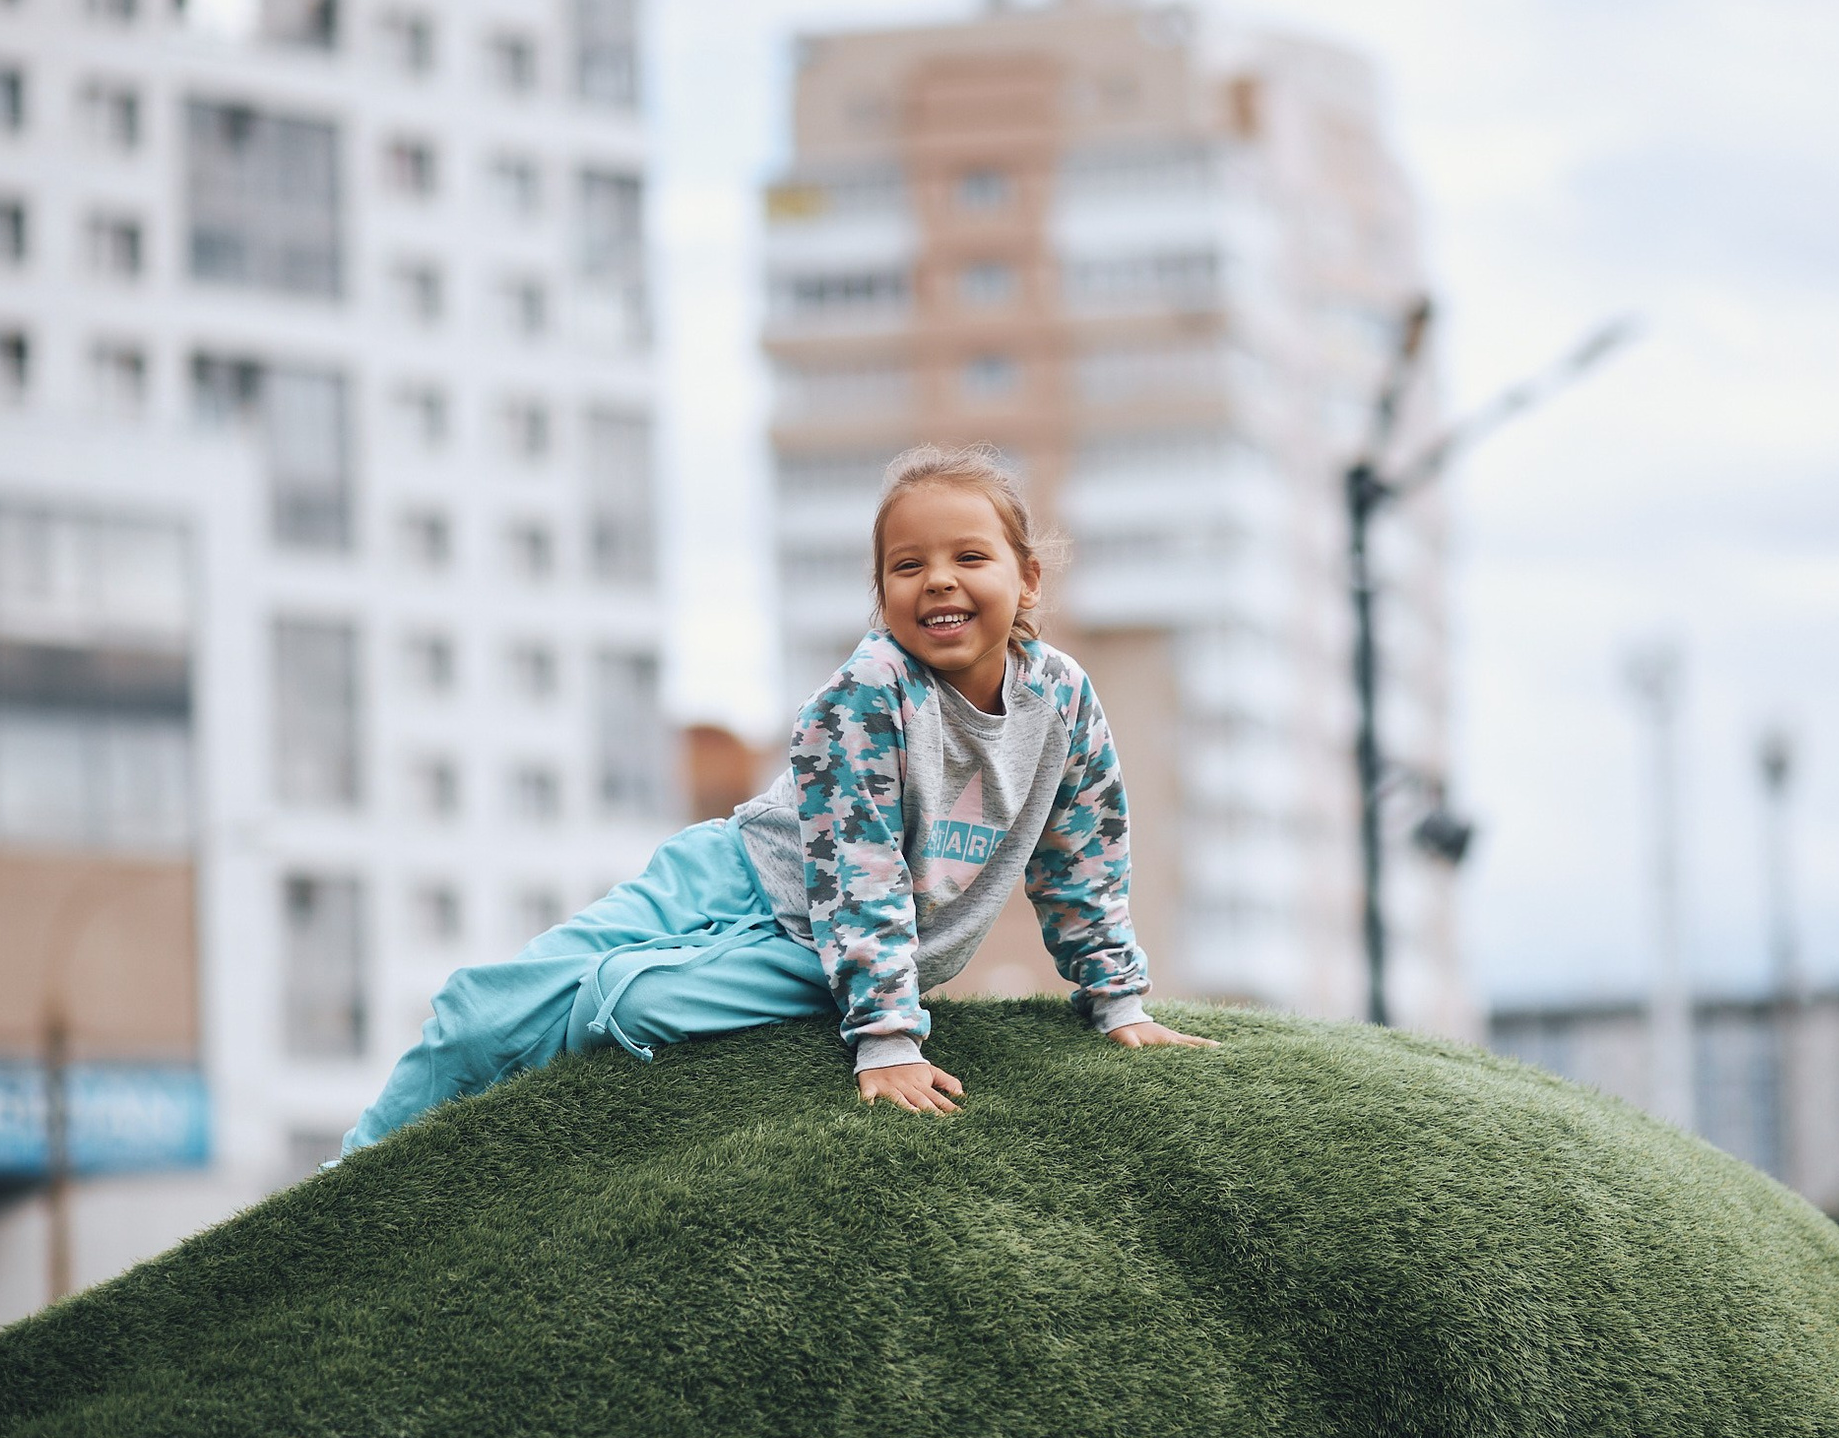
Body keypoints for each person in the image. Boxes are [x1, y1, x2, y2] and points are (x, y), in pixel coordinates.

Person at [343, 443, 1211, 1157]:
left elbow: (1082, 859)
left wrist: (1117, 1002)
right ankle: (346, 1184)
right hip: (735, 877)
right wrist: (887, 1042)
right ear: (884, 595)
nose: (938, 580)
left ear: (1026, 580)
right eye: (908, 566)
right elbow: (860, 869)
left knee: (627, 1003)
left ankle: (588, 1033)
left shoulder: (1062, 701)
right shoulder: (868, 693)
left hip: (818, 948)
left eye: (968, 558)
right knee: (474, 1008)